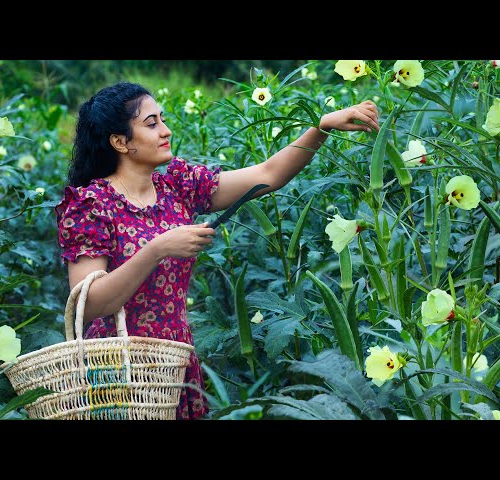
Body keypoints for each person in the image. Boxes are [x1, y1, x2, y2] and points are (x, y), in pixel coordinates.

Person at [55, 81, 379, 420]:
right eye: (151, 124)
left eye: (162, 119)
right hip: (117, 368)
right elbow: (87, 304)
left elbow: (268, 175)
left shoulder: (177, 187)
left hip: (174, 362)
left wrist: (321, 126)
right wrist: (158, 248)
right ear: (120, 142)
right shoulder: (92, 205)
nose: (166, 130)